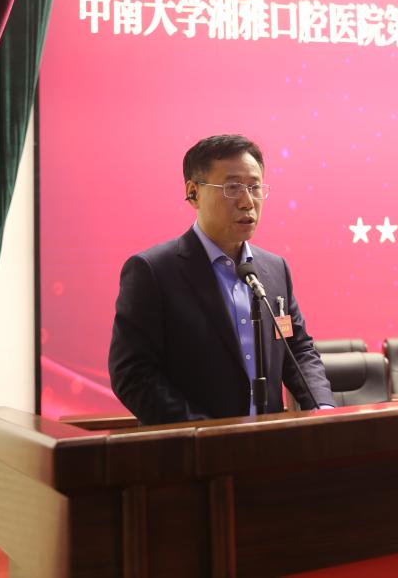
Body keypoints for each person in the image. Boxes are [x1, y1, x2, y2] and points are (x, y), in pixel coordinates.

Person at [108, 134, 334, 424]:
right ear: (193, 193)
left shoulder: (274, 269)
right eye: (232, 188)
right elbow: (132, 375)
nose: (247, 202)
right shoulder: (152, 271)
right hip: (193, 447)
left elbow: (298, 349)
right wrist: (206, 432)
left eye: (254, 187)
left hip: (271, 443)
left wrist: (323, 407)